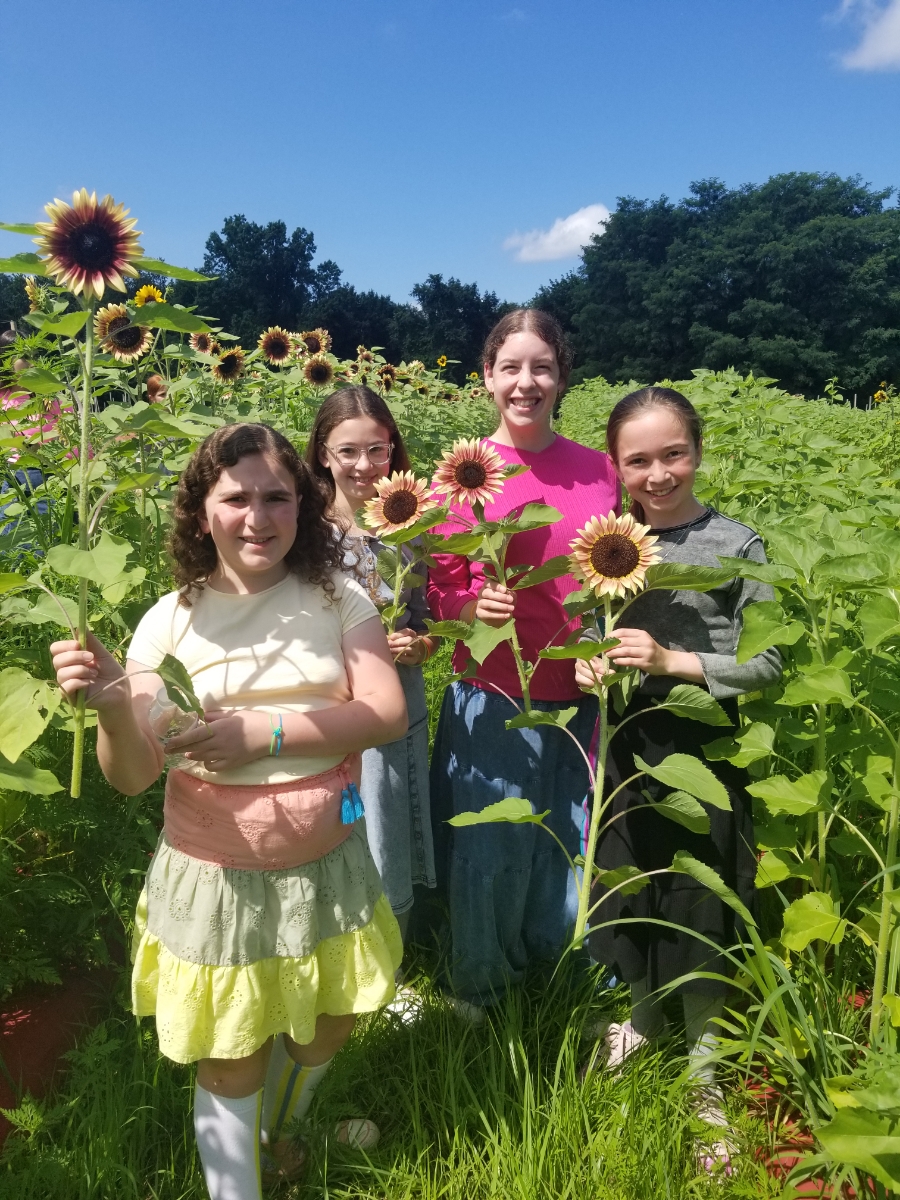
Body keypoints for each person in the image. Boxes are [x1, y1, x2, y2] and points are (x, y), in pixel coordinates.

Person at [50, 422, 408, 1197]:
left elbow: (386, 713)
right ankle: (236, 1184)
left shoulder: (336, 598)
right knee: (234, 1048)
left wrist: (266, 731)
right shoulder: (171, 620)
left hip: (328, 863)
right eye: (236, 498)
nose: (258, 517)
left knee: (329, 1022)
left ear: (303, 505)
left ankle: (279, 1133)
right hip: (222, 877)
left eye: (277, 497)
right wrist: (112, 709)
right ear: (201, 511)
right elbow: (133, 777)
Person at [577, 386, 781, 1168]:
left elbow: (768, 662)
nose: (658, 474)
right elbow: (587, 629)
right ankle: (641, 1020)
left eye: (674, 454)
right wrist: (591, 663)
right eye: (638, 460)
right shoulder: (609, 541)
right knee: (632, 889)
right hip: (627, 743)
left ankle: (703, 1075)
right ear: (617, 465)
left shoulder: (736, 544)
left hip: (702, 745)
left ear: (697, 450)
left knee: (698, 900)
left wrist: (672, 661)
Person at [427, 308, 620, 1017]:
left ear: (563, 378)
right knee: (492, 844)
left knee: (573, 840)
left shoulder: (601, 472)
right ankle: (478, 987)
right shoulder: (458, 476)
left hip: (584, 691)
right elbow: (434, 590)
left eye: (542, 367)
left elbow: (621, 573)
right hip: (494, 690)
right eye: (510, 367)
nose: (526, 382)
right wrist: (468, 608)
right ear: (487, 376)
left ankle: (563, 978)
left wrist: (608, 650)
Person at [306, 385, 437, 937]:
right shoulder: (304, 533)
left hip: (396, 704)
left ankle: (390, 952)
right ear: (323, 454)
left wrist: (420, 645)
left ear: (392, 450)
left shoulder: (409, 529)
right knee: (327, 822)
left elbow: (425, 617)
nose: (364, 465)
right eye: (348, 451)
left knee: (386, 820)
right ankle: (333, 944)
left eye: (377, 450)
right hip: (328, 707)